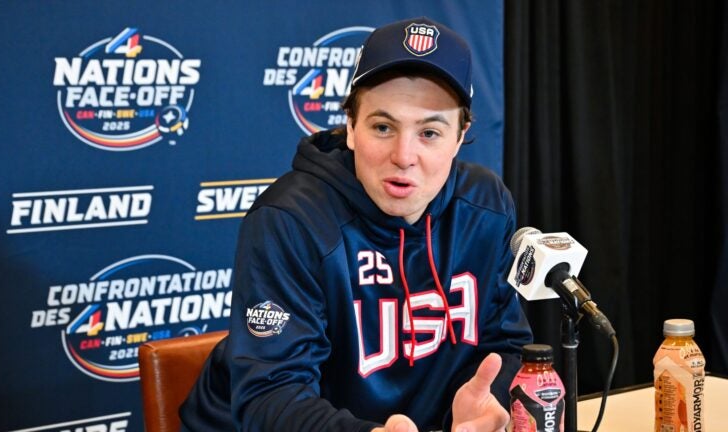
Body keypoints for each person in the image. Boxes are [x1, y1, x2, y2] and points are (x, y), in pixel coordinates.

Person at [180, 16, 532, 432]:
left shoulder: (486, 208)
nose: (404, 155)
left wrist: (489, 401)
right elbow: (268, 396)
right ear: (350, 127)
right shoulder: (291, 221)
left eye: (430, 133)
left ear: (460, 136)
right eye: (383, 127)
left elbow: (506, 345)